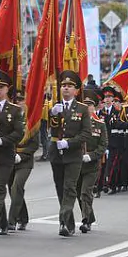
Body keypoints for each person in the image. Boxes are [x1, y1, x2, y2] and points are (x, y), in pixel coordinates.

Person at [48, 70, 92, 237]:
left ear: (76, 90)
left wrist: (69, 142)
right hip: (56, 154)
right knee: (60, 188)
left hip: (73, 155)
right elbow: (50, 129)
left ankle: (63, 221)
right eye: (63, 86)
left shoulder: (82, 109)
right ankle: (69, 222)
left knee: (69, 188)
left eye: (69, 86)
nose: (65, 89)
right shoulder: (54, 107)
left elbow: (86, 133)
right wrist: (52, 114)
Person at [0, 71, 25, 236]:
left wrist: (3, 140)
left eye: (1, 87)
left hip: (6, 155)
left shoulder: (14, 110)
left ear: (8, 89)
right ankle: (3, 222)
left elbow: (19, 132)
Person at [76, 89, 107, 233]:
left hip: (92, 165)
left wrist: (92, 155)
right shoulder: (76, 123)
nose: (88, 108)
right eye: (85, 104)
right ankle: (90, 216)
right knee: (77, 194)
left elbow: (103, 145)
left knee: (85, 192)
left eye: (90, 105)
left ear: (94, 107)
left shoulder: (100, 124)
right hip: (76, 164)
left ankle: (86, 221)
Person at [8, 92, 33, 231]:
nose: (18, 103)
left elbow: (34, 144)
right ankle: (23, 217)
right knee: (13, 190)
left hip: (25, 160)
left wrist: (21, 156)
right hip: (10, 158)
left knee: (16, 186)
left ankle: (11, 220)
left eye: (21, 100)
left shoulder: (31, 119)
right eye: (16, 100)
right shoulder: (9, 118)